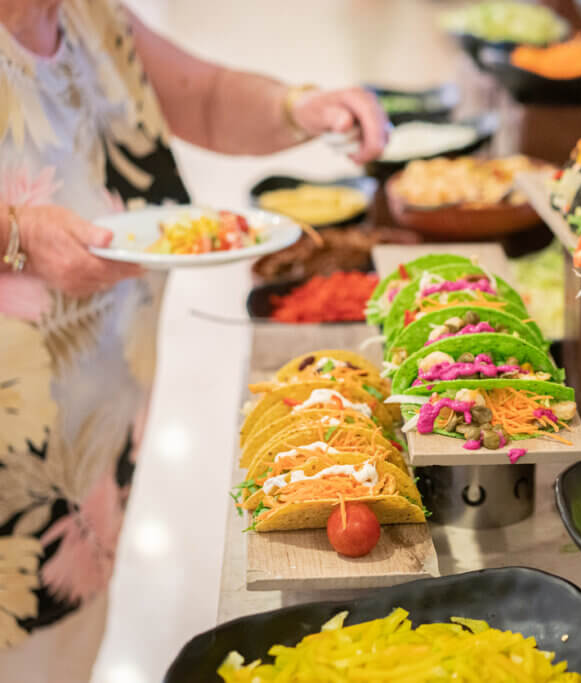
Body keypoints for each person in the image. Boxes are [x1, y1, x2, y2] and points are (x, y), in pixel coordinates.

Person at [0, 0, 388, 678]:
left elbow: (201, 97)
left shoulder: (84, 12)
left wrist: (302, 106)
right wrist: (17, 233)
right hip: (13, 441)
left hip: (91, 436)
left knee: (62, 643)